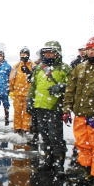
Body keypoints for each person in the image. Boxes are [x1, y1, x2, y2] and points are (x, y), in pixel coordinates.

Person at [63, 37, 94, 186]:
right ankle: (87, 172)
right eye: (89, 49)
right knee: (82, 145)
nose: (91, 52)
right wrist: (66, 108)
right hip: (80, 114)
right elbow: (71, 89)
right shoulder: (80, 67)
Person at [28, 41, 70, 170]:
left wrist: (61, 86)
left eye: (51, 52)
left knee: (55, 136)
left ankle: (58, 162)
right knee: (44, 135)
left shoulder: (64, 68)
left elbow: (73, 85)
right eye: (46, 52)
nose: (48, 55)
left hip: (54, 107)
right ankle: (48, 159)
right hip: (40, 106)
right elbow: (33, 87)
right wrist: (30, 101)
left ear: (57, 53)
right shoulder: (39, 68)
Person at [9, 47, 34, 135]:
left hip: (28, 94)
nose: (23, 56)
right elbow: (11, 79)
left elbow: (35, 79)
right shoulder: (16, 66)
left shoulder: (33, 66)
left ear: (28, 55)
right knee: (17, 112)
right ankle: (17, 127)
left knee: (27, 112)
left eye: (25, 54)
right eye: (22, 54)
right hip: (17, 93)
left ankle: (25, 128)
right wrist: (11, 90)